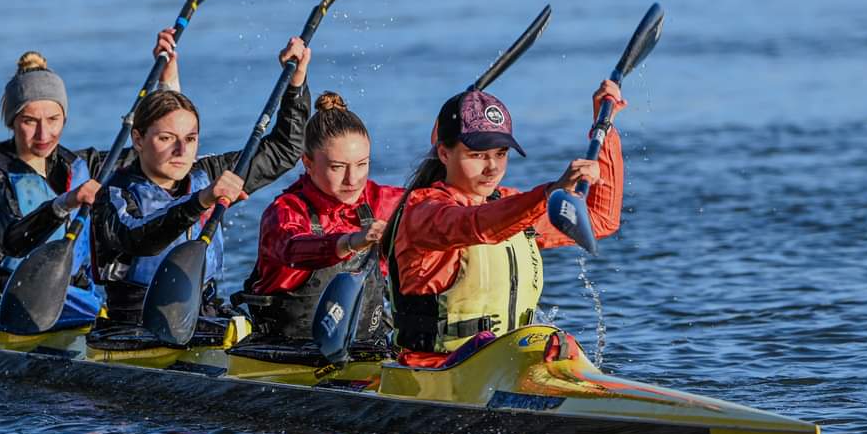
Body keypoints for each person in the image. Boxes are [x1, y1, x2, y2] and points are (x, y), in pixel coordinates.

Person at [385, 83, 626, 366]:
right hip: (431, 369)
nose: (492, 168)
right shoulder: (425, 211)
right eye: (477, 155)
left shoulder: (511, 207)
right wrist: (549, 192)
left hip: (501, 367)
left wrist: (605, 128)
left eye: (501, 154)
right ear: (444, 154)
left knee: (563, 346)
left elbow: (600, 220)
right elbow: (475, 225)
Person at [91, 35, 312, 326]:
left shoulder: (207, 174)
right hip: (135, 323)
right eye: (166, 138)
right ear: (138, 139)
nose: (181, 151)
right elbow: (139, 239)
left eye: (190, 139)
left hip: (203, 314)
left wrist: (295, 84)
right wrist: (202, 200)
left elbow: (285, 149)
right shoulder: (114, 193)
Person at [0, 45, 167, 330]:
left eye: (53, 120)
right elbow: (14, 242)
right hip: (7, 306)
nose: (44, 134)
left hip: (81, 305)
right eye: (30, 121)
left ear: (65, 119)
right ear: (12, 122)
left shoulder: (82, 165)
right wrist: (64, 204)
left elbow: (154, 152)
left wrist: (168, 80)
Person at [239, 91, 403, 347]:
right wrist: (350, 242)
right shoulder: (285, 211)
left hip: (367, 348)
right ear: (308, 163)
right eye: (337, 167)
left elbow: (437, 205)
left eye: (362, 164)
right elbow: (294, 249)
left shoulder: (382, 200)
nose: (353, 179)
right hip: (286, 353)